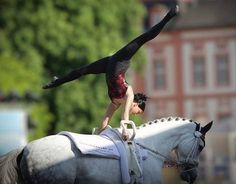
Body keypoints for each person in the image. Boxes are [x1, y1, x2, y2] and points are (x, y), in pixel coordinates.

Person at [43, 5, 179, 139]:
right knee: (144, 38)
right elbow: (124, 117)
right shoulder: (129, 95)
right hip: (121, 60)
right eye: (137, 112)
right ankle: (170, 15)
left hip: (109, 65)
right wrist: (125, 133)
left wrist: (101, 135)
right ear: (136, 104)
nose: (135, 114)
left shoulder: (115, 102)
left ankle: (57, 82)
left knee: (82, 71)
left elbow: (105, 120)